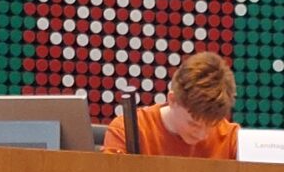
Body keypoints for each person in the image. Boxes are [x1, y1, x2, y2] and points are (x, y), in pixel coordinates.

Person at [101, 51, 240, 158]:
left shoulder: (232, 138)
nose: (202, 134)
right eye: (193, 124)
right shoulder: (127, 131)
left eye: (211, 125)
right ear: (173, 100)